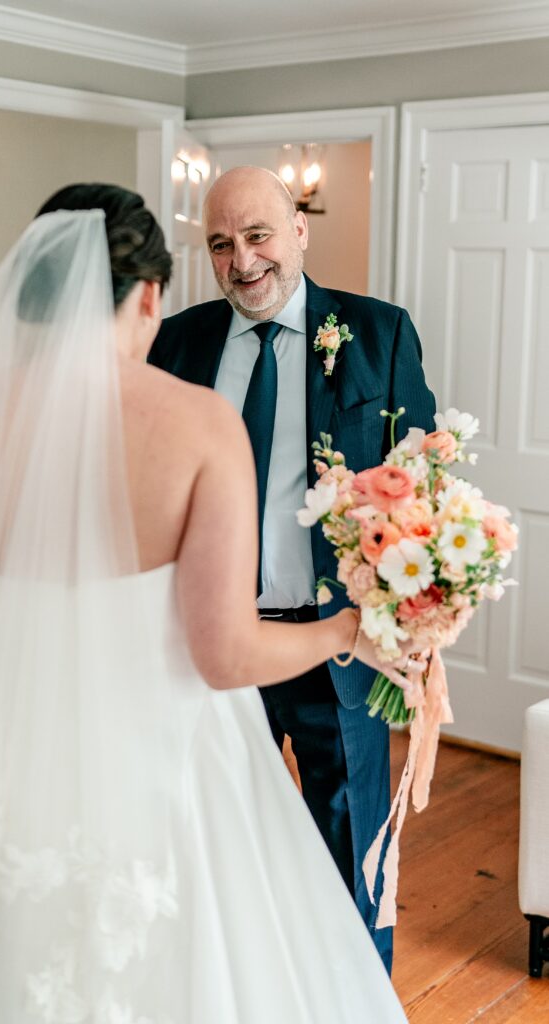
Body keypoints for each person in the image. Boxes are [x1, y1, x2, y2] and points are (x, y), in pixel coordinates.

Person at [0, 184, 411, 1022]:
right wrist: (346, 629)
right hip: (159, 778)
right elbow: (223, 654)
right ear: (150, 294)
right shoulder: (196, 425)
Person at [149, 165, 437, 972]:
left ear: (300, 230)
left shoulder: (378, 334)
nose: (241, 261)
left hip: (336, 650)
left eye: (257, 235)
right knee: (204, 852)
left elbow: (422, 491)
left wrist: (411, 621)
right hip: (208, 653)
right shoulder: (177, 343)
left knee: (350, 864)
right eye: (220, 244)